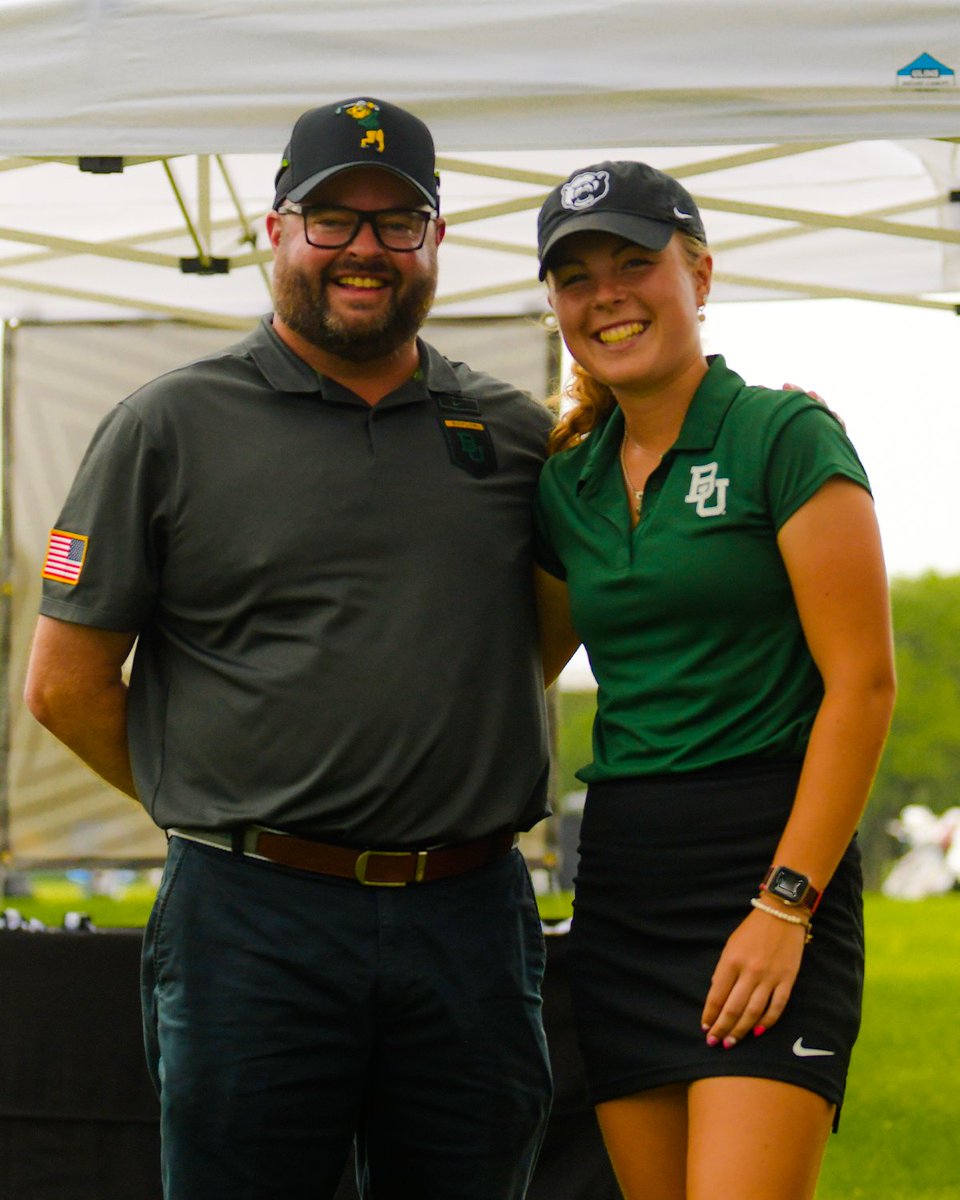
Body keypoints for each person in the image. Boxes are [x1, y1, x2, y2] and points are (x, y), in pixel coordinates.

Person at [24, 98, 555, 1200]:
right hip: (249, 926)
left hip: (468, 918)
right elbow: (65, 686)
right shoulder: (166, 427)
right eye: (332, 219)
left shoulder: (514, 436)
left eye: (398, 221)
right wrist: (222, 802)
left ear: (437, 242)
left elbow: (536, 639)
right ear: (274, 232)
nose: (365, 248)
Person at [532, 161, 896, 1200]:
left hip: (769, 868)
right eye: (575, 275)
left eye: (635, 263)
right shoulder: (569, 481)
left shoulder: (785, 435)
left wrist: (786, 906)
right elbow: (517, 663)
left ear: (699, 273)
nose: (606, 294)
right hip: (625, 886)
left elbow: (862, 688)